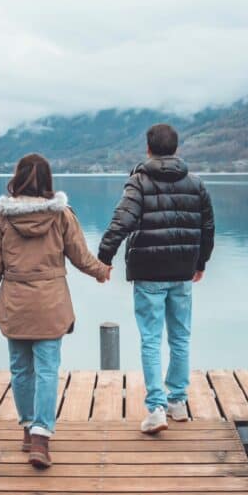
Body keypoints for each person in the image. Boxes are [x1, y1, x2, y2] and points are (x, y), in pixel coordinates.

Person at [0, 153, 111, 468]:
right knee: (48, 370)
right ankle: (41, 437)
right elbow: (79, 256)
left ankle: (28, 428)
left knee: (21, 369)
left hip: (15, 302)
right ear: (48, 180)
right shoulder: (61, 215)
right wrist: (101, 271)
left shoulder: (1, 218)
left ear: (17, 178)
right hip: (51, 303)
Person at [98, 123, 215, 434]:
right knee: (180, 337)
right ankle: (177, 401)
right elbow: (207, 228)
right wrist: (200, 262)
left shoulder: (139, 182)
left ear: (148, 149)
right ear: (176, 149)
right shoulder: (196, 183)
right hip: (182, 271)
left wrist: (104, 258)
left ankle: (156, 409)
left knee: (151, 339)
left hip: (148, 270)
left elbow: (120, 221)